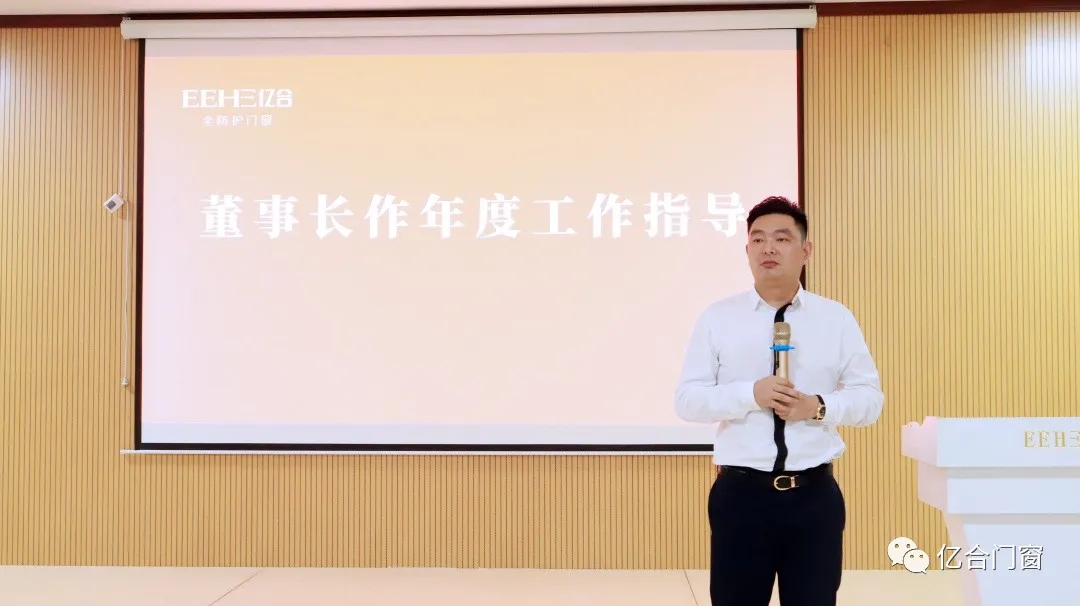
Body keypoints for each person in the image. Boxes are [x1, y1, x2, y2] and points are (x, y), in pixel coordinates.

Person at [674, 196, 884, 606]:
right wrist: (749, 394)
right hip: (740, 496)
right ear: (747, 250)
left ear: (805, 251)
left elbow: (869, 400)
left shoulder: (835, 318)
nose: (768, 248)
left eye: (782, 238)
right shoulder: (718, 317)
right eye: (758, 239)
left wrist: (818, 407)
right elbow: (688, 400)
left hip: (814, 497)